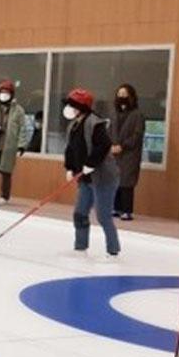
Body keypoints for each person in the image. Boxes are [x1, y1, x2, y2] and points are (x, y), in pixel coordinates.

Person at [62, 88, 120, 257]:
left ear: (81, 107)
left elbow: (104, 146)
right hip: (85, 179)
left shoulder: (95, 123)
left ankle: (113, 249)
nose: (69, 108)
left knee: (103, 216)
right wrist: (70, 168)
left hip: (103, 178)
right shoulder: (73, 125)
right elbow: (70, 150)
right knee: (79, 213)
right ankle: (80, 246)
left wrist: (91, 164)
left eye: (72, 105)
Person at [110, 84, 145, 220]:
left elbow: (137, 135)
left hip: (130, 154)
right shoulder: (114, 114)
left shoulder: (137, 115)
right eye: (119, 94)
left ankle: (127, 211)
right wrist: (111, 146)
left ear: (131, 96)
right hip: (115, 153)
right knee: (115, 181)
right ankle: (116, 208)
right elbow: (109, 131)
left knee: (127, 182)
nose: (122, 97)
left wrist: (123, 146)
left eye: (124, 94)